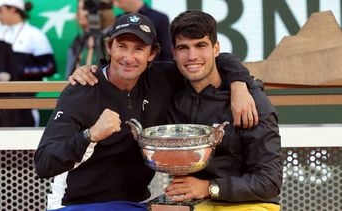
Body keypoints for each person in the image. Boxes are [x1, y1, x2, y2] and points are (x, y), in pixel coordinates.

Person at [35, 13, 258, 210]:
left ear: (152, 54)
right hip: (78, 204)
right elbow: (44, 163)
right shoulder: (82, 90)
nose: (129, 58)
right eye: (122, 46)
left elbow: (213, 60)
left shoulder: (161, 78)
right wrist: (90, 135)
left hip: (137, 203)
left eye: (139, 49)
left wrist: (239, 82)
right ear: (109, 47)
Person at [163, 10, 283, 210]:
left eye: (201, 45)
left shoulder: (251, 101)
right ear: (174, 52)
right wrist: (94, 71)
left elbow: (269, 181)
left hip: (248, 204)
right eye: (183, 48)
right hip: (192, 203)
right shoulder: (169, 90)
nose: (192, 56)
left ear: (215, 48)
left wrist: (209, 188)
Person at [0, 0, 57, 126]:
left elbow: (50, 67)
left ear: (13, 9)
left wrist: (19, 71)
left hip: (25, 104)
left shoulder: (34, 35)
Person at [65, 0, 115, 77]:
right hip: (79, 87)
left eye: (85, 8)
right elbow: (69, 75)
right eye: (79, 8)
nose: (82, 13)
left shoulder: (111, 38)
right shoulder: (78, 41)